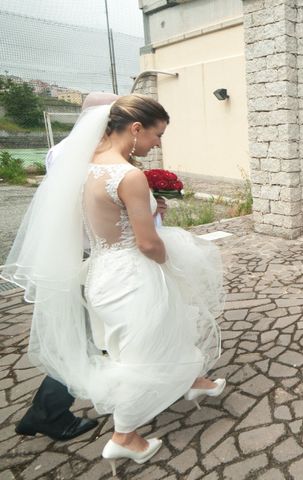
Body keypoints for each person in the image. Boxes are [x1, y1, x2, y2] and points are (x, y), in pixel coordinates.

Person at [1, 95, 225, 474]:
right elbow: (148, 243)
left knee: (161, 332)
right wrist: (172, 265)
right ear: (136, 129)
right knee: (140, 355)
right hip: (133, 275)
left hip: (103, 272)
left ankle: (195, 380)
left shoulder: (84, 166)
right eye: (157, 135)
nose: (157, 144)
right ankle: (124, 438)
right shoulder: (129, 175)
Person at [14, 92, 119, 442]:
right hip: (86, 255)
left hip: (73, 254)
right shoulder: (84, 155)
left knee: (86, 334)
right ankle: (49, 413)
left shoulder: (60, 149)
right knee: (85, 338)